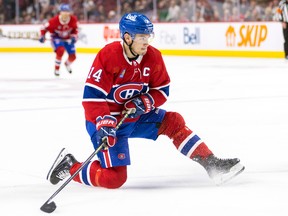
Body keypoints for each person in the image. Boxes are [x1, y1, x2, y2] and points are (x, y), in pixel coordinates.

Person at [46, 12, 245, 189]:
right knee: (114, 179)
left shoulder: (153, 57)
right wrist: (103, 123)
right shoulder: (108, 56)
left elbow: (162, 90)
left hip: (136, 118)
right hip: (108, 123)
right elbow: (91, 97)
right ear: (127, 37)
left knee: (173, 121)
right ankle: (69, 166)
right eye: (141, 36)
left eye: (148, 36)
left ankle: (211, 164)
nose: (146, 41)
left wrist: (146, 102)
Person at [39, 4, 78, 76]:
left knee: (73, 57)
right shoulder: (53, 21)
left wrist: (74, 37)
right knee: (60, 50)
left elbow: (75, 30)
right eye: (63, 11)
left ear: (69, 12)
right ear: (60, 12)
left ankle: (67, 64)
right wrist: (42, 36)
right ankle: (57, 69)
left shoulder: (73, 20)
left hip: (68, 39)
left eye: (67, 11)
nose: (65, 13)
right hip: (57, 38)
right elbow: (43, 28)